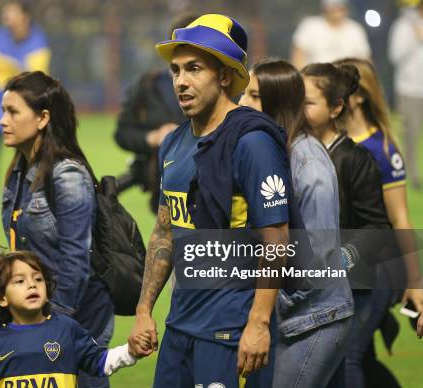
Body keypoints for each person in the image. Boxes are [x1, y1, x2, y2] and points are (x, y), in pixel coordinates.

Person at [128, 14, 306, 388]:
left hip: (231, 332)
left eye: (194, 69)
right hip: (180, 328)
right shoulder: (174, 143)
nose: (181, 81)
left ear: (225, 76)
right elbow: (165, 231)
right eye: (176, 70)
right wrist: (144, 310)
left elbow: (276, 238)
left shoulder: (252, 143)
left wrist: (258, 323)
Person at [240, 59, 354, 387]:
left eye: (255, 96)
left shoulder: (309, 165)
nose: (243, 103)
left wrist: (261, 300)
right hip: (286, 317)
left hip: (314, 321)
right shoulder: (269, 151)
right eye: (244, 93)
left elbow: (316, 261)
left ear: (277, 102)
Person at [0, 71, 113, 388]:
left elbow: (76, 260)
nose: (2, 121)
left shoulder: (67, 175)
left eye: (12, 111)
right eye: (2, 111)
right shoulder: (19, 171)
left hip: (78, 319)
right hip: (39, 317)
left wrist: (56, 324)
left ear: (42, 118)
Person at [301, 61, 398, 388]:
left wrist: (342, 259)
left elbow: (377, 228)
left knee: (348, 361)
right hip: (311, 285)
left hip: (355, 286)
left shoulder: (356, 159)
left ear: (336, 107)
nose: (299, 109)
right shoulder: (293, 153)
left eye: (309, 102)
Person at [331, 57, 423, 384]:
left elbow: (400, 217)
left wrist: (415, 281)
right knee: (361, 356)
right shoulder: (331, 141)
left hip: (379, 267)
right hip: (350, 266)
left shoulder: (380, 148)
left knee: (349, 356)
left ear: (357, 95)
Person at [0, 251, 147, 387]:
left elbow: (98, 361)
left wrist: (129, 352)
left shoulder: (67, 328)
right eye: (20, 281)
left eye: (38, 279)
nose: (32, 284)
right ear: (2, 298)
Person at [113, 13, 195, 212]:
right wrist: (152, 137)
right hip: (160, 190)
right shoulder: (148, 85)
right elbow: (123, 133)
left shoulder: (221, 86)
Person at [0, 0, 50, 196]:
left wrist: (7, 69)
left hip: (26, 98)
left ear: (25, 17)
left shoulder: (38, 40)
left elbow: (36, 72)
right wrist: (16, 69)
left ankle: (36, 182)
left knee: (30, 143)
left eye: (11, 13)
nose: (6, 17)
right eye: (5, 13)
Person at [388, 1, 423, 189]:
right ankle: (412, 177)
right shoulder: (403, 25)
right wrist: (415, 39)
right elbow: (395, 56)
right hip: (409, 89)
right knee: (410, 136)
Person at [291, 0, 370, 69]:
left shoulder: (356, 30)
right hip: (314, 82)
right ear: (325, 7)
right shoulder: (309, 26)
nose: (337, 9)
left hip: (348, 83)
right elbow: (298, 59)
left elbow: (366, 63)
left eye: (340, 6)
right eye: (334, 6)